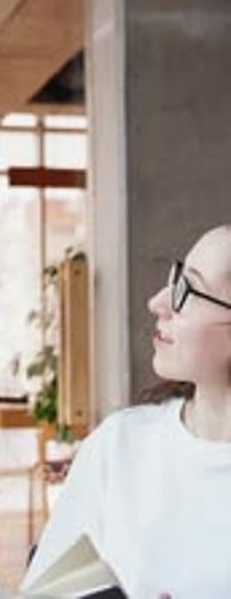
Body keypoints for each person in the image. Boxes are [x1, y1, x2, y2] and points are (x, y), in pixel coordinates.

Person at [21, 224, 231, 599]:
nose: (158, 302)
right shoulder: (118, 446)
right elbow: (44, 591)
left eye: (188, 289)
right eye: (177, 277)